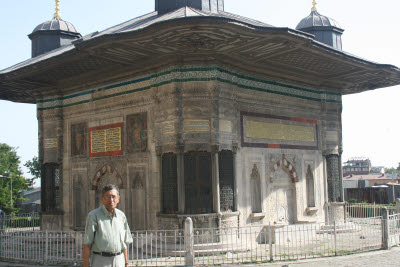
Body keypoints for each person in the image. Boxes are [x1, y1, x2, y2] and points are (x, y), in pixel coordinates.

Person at [83, 184, 133, 267]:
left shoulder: (121, 216)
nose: (111, 200)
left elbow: (125, 243)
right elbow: (87, 245)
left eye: (114, 196)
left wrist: (126, 262)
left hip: (119, 260)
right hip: (101, 261)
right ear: (102, 199)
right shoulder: (93, 216)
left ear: (118, 199)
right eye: (108, 196)